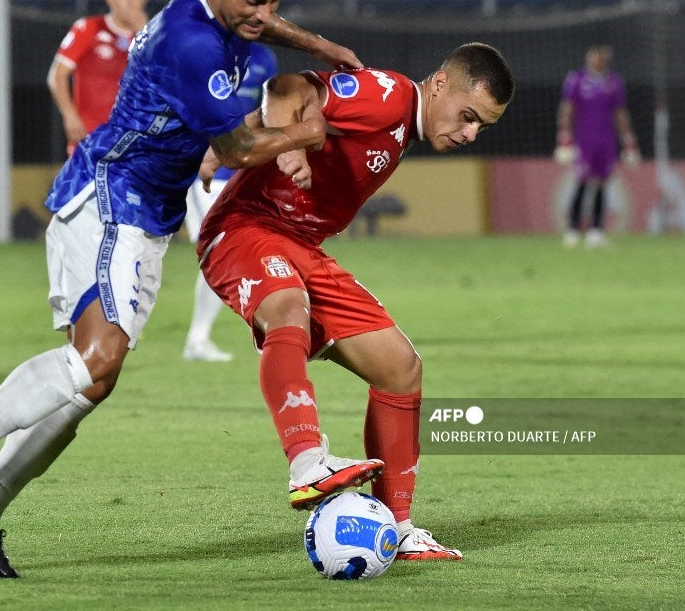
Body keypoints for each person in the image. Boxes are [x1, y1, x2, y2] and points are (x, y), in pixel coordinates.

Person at [0, 0, 366, 578]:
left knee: (92, 382)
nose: (265, 16)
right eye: (254, 2)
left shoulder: (220, 10)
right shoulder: (189, 42)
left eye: (275, 1)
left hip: (147, 212)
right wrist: (306, 134)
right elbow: (233, 149)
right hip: (111, 197)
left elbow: (261, 30)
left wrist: (315, 42)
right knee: (97, 357)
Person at [196, 44, 515, 560]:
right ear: (438, 84)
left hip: (301, 246)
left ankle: (398, 525)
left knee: (400, 367)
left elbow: (296, 109)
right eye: (468, 116)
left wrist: (240, 135)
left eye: (482, 126)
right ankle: (306, 462)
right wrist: (288, 148)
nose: (470, 132)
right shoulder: (386, 96)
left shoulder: (398, 124)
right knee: (287, 310)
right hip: (247, 228)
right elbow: (288, 89)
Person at [183, 41, 279, 362]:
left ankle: (198, 339)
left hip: (241, 171)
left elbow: (271, 111)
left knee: (230, 251)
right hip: (204, 170)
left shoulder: (265, 57)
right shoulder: (208, 50)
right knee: (219, 251)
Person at [47, 0, 149, 157]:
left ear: (143, 1)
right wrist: (69, 115)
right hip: (90, 139)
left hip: (133, 142)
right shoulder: (89, 28)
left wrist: (144, 33)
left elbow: (161, 80)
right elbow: (57, 75)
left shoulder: (149, 37)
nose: (129, 3)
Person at [554, 45, 639, 249]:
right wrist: (564, 138)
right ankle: (573, 230)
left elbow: (620, 113)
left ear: (605, 60)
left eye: (599, 58)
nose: (595, 61)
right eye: (592, 57)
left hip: (606, 140)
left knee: (602, 183)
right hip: (584, 140)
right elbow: (567, 109)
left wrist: (629, 141)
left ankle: (596, 231)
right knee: (582, 182)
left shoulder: (614, 83)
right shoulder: (576, 80)